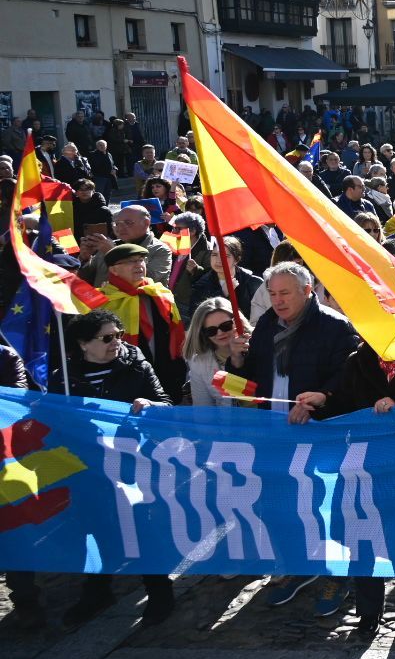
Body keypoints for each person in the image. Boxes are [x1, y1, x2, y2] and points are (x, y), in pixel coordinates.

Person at [226, 262, 361, 615]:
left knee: (325, 506)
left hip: (319, 433)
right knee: (277, 504)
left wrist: (320, 401)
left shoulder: (335, 328)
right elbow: (255, 377)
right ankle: (298, 565)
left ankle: (338, 573)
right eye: (272, 294)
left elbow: (349, 379)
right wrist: (237, 361)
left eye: (285, 293)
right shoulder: (267, 324)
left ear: (307, 291)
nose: (278, 300)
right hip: (273, 431)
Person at [295, 342, 395, 635]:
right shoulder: (358, 361)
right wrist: (321, 401)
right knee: (360, 536)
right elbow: (343, 408)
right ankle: (368, 611)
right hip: (363, 465)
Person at [51, 309, 174, 628]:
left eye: (118, 334)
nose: (116, 342)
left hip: (132, 464)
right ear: (83, 345)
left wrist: (151, 406)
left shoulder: (136, 365)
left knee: (142, 526)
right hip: (88, 468)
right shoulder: (63, 377)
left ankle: (160, 591)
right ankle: (97, 590)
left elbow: (167, 405)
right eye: (107, 338)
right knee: (95, 527)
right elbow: (52, 424)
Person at [97, 242, 187, 401]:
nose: (139, 265)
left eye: (141, 260)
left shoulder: (159, 293)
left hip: (166, 375)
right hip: (125, 378)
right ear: (113, 269)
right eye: (131, 261)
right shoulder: (102, 301)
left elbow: (175, 335)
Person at [183, 297, 250, 407]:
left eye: (225, 326)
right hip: (226, 423)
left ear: (238, 321)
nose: (220, 333)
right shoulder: (199, 363)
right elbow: (203, 413)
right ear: (202, 333)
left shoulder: (258, 344)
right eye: (211, 331)